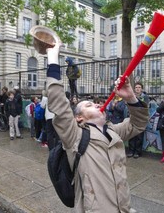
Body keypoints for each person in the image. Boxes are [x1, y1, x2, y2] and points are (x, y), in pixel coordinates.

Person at [46, 40, 149, 212]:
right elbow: (58, 102)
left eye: (93, 103)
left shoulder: (113, 131)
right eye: (88, 105)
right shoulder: (74, 136)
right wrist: (52, 56)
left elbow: (138, 124)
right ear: (78, 118)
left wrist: (131, 98)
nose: (94, 104)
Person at [127, 82, 149, 159]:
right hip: (132, 118)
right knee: (131, 135)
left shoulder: (145, 97)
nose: (137, 89)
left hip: (140, 119)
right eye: (136, 87)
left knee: (139, 136)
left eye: (139, 87)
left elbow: (145, 107)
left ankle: (137, 152)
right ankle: (131, 151)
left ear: (141, 89)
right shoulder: (131, 96)